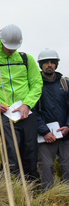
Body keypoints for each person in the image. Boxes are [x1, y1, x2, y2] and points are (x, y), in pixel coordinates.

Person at [0, 24, 42, 181]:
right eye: (7, 47)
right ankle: (11, 188)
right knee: (11, 150)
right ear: (1, 41)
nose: (11, 50)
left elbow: (37, 84)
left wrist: (27, 104)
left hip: (27, 113)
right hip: (4, 114)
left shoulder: (27, 59)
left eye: (14, 47)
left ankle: (32, 189)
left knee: (30, 151)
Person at [34, 48, 69, 190]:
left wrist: (68, 127)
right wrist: (44, 131)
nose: (50, 65)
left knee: (67, 166)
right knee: (46, 167)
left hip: (66, 135)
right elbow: (32, 110)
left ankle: (66, 197)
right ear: (40, 65)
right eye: (46, 62)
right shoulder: (35, 85)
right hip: (46, 137)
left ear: (56, 64)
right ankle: (48, 197)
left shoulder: (65, 84)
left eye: (52, 62)